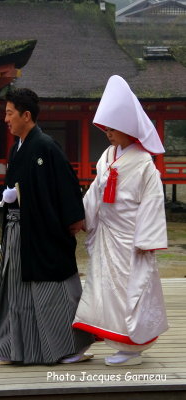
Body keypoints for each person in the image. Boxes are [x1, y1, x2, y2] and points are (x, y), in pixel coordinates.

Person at [0, 88, 94, 366]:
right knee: (13, 290)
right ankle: (7, 348)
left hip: (44, 232)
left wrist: (72, 219)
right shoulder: (17, 148)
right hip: (20, 230)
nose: (6, 119)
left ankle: (71, 347)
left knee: (58, 292)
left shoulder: (47, 146)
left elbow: (66, 187)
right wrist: (11, 197)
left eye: (9, 113)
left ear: (26, 115)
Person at [72, 75, 169, 366]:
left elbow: (152, 202)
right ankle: (117, 342)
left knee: (131, 291)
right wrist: (81, 217)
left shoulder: (144, 164)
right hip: (108, 235)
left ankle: (132, 347)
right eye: (106, 128)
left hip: (132, 238)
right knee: (105, 290)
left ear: (127, 128)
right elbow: (94, 193)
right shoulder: (106, 156)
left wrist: (147, 239)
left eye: (112, 128)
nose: (108, 133)